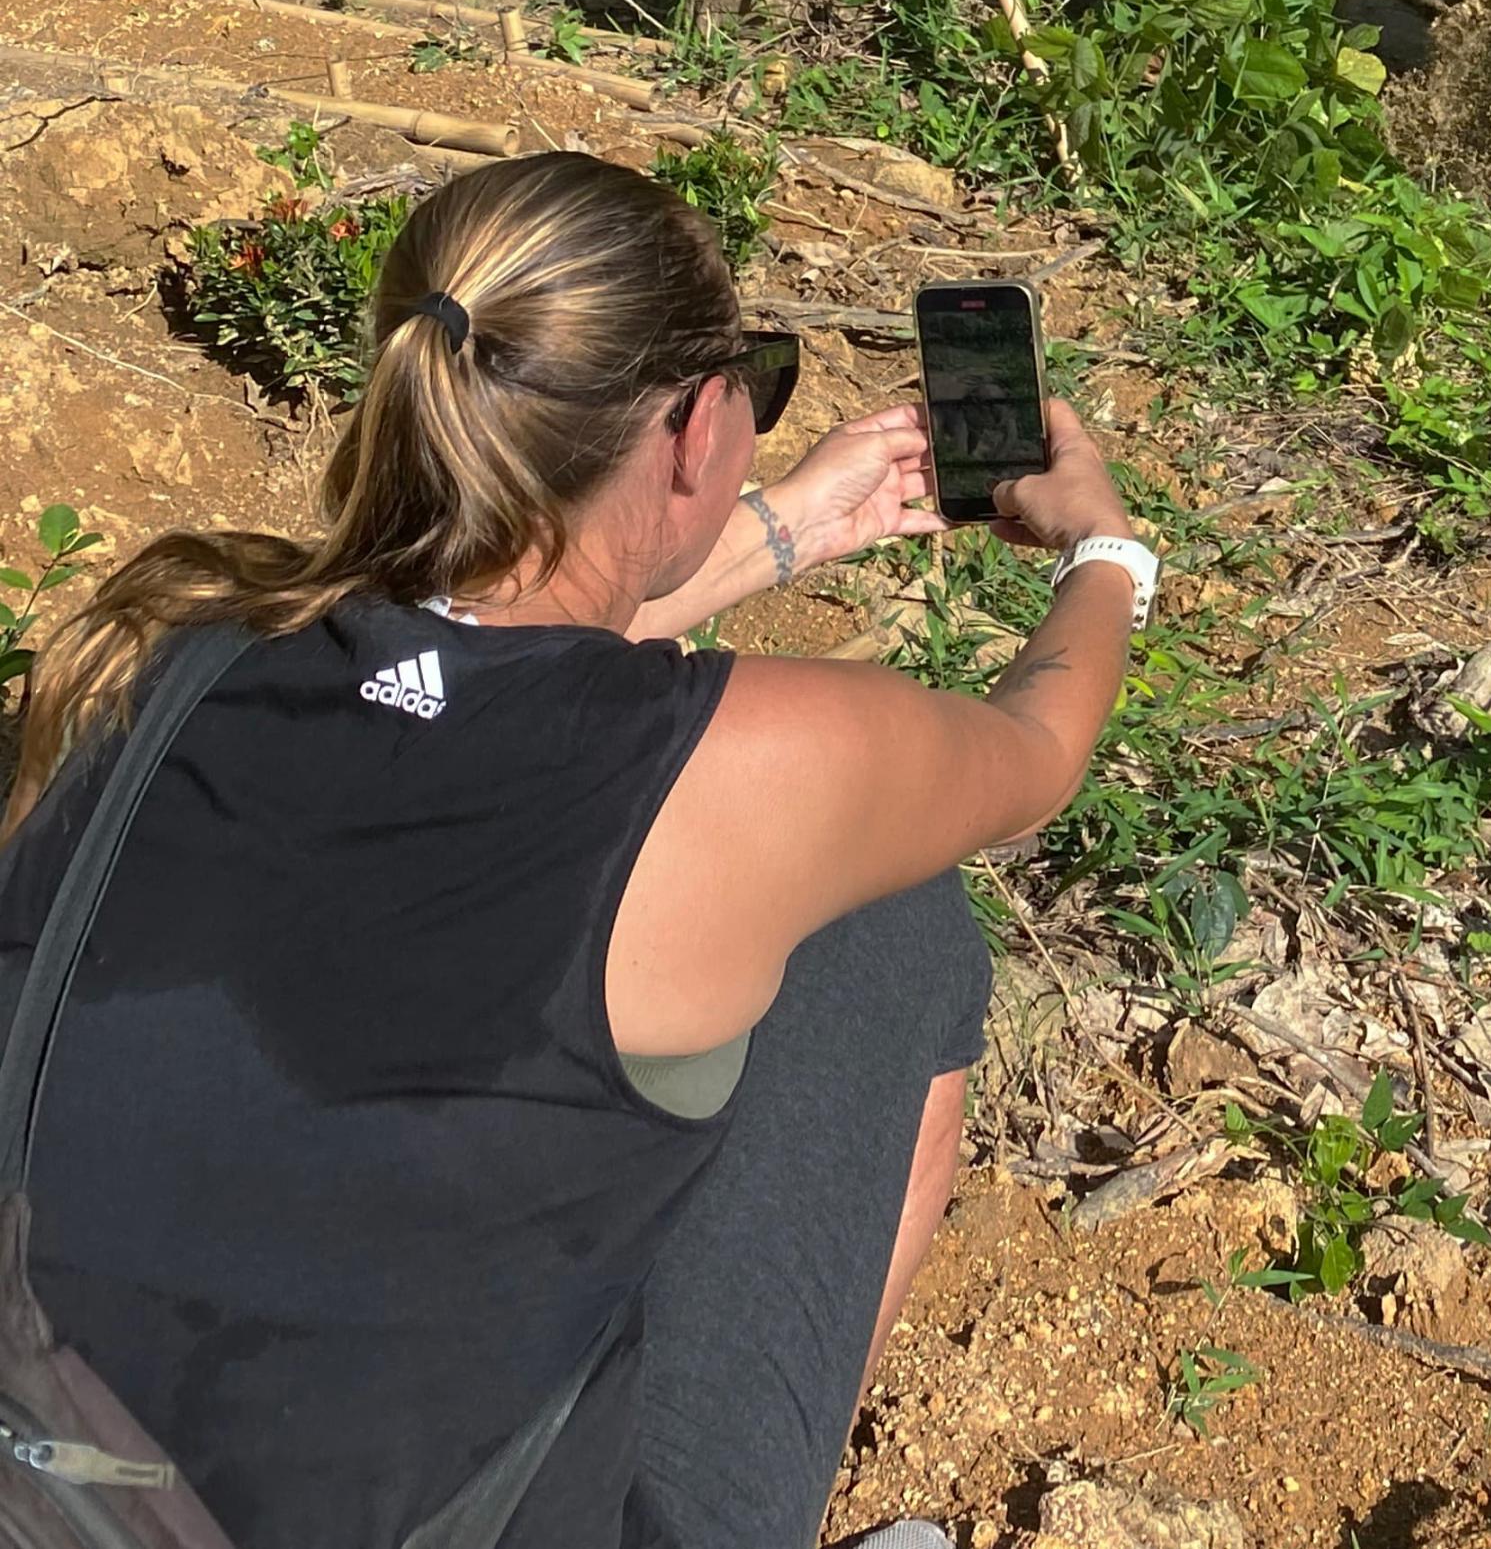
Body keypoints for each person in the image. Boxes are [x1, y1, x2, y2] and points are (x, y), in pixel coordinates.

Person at [0, 149, 1154, 1546]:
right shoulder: (760, 767)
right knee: (889, 919)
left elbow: (466, 677)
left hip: (58, 1482)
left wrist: (778, 528)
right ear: (689, 430)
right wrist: (1104, 553)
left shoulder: (155, 643)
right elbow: (1032, 754)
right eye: (757, 384)